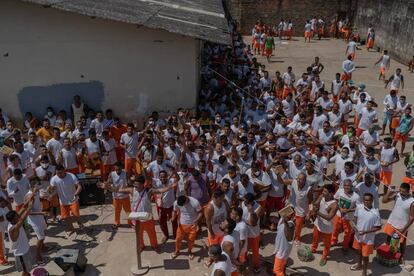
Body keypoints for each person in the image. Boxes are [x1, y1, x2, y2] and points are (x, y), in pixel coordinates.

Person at [350, 193, 381, 276]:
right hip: (358, 236)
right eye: (364, 200)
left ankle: (364, 272)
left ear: (372, 201)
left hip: (368, 240)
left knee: (365, 256)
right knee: (359, 252)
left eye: (368, 200)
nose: (366, 202)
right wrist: (354, 225)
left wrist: (365, 232)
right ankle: (359, 265)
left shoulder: (375, 213)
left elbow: (378, 227)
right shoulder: (359, 207)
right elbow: (355, 217)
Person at [382, 182, 414, 263]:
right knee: (389, 238)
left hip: (402, 226)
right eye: (400, 190)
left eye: (403, 192)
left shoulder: (412, 202)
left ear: (408, 191)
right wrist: (388, 192)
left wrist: (403, 229)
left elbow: (412, 217)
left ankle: (402, 256)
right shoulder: (397, 195)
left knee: (402, 242)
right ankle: (388, 253)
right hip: (392, 222)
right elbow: (384, 201)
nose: (401, 193)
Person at [49, 165, 83, 236]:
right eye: (57, 173)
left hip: (73, 199)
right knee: (65, 217)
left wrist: (76, 193)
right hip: (63, 201)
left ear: (64, 171)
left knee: (76, 215)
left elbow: (79, 186)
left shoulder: (71, 176)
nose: (59, 175)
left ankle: (79, 223)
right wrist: (50, 192)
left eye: (61, 173)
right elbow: (53, 190)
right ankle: (71, 228)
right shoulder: (54, 179)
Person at [6, 193, 35, 276]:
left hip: (24, 250)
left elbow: (23, 208)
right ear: (13, 219)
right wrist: (29, 207)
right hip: (20, 253)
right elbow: (22, 219)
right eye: (16, 216)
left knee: (27, 271)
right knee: (25, 271)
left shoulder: (13, 221)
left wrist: (30, 198)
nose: (18, 216)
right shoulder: (13, 229)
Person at [311, 184, 338, 266]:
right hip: (318, 223)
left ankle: (324, 256)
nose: (323, 192)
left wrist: (317, 212)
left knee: (327, 244)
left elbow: (329, 217)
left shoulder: (334, 205)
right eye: (323, 191)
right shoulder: (322, 196)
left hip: (327, 228)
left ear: (331, 194)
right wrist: (315, 204)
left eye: (325, 191)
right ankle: (313, 249)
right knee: (315, 238)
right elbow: (316, 203)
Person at [331, 179, 360, 252]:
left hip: (349, 218)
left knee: (348, 233)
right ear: (343, 186)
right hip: (338, 215)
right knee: (335, 229)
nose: (347, 187)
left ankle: (345, 245)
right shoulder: (340, 191)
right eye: (345, 185)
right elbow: (335, 199)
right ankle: (333, 241)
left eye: (348, 186)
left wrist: (348, 210)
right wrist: (340, 208)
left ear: (351, 186)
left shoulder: (356, 196)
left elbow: (358, 208)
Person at [171, 195, 203, 260]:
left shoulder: (195, 202)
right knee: (178, 239)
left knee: (191, 240)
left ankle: (190, 251)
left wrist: (195, 221)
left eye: (183, 204)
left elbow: (200, 213)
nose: (183, 206)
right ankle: (177, 251)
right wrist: (173, 218)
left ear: (186, 200)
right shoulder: (176, 202)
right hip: (181, 225)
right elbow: (174, 211)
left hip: (192, 225)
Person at [25, 179, 48, 264]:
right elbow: (28, 212)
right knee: (41, 237)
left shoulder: (37, 192)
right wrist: (41, 213)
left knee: (42, 236)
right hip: (34, 220)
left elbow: (39, 199)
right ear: (32, 186)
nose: (40, 186)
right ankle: (38, 257)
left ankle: (43, 247)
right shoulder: (29, 196)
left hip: (40, 217)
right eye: (38, 185)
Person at [205, 189, 229, 266]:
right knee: (212, 248)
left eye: (223, 197)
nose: (222, 200)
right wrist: (211, 233)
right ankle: (211, 258)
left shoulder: (224, 202)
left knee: (222, 247)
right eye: (220, 199)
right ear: (214, 198)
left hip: (223, 231)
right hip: (214, 232)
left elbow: (228, 212)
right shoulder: (210, 207)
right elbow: (208, 221)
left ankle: (219, 258)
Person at [153, 170, 178, 243]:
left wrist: (174, 169)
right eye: (161, 177)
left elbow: (178, 178)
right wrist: (145, 169)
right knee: (162, 222)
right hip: (161, 207)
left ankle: (175, 234)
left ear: (167, 176)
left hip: (172, 206)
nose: (163, 178)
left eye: (164, 177)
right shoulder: (156, 182)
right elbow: (147, 178)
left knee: (174, 221)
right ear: (159, 177)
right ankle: (166, 235)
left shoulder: (171, 181)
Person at [241, 193, 263, 273]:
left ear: (252, 202)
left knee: (255, 252)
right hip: (244, 232)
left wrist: (252, 212)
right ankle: (243, 262)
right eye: (244, 201)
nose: (244, 203)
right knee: (243, 249)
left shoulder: (259, 208)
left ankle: (256, 266)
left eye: (246, 202)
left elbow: (253, 223)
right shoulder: (243, 203)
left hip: (254, 234)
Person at [105, 162, 131, 228]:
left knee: (128, 211)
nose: (117, 171)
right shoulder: (112, 174)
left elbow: (129, 182)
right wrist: (106, 185)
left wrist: (131, 181)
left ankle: (131, 222)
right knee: (117, 211)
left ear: (122, 168)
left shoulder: (125, 173)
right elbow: (108, 183)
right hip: (116, 197)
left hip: (125, 196)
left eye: (119, 169)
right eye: (116, 169)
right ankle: (117, 223)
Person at [272, 211, 295, 276]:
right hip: (281, 250)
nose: (286, 214)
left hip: (282, 253)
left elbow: (289, 236)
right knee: (281, 267)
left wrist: (285, 222)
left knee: (277, 271)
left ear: (292, 216)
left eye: (289, 213)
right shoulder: (282, 219)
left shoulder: (291, 224)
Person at [230, 207, 248, 274]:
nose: (230, 214)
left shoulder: (242, 227)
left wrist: (238, 253)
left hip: (240, 251)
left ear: (237, 216)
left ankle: (242, 273)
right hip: (237, 249)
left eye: (232, 213)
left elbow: (242, 241)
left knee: (240, 265)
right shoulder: (236, 222)